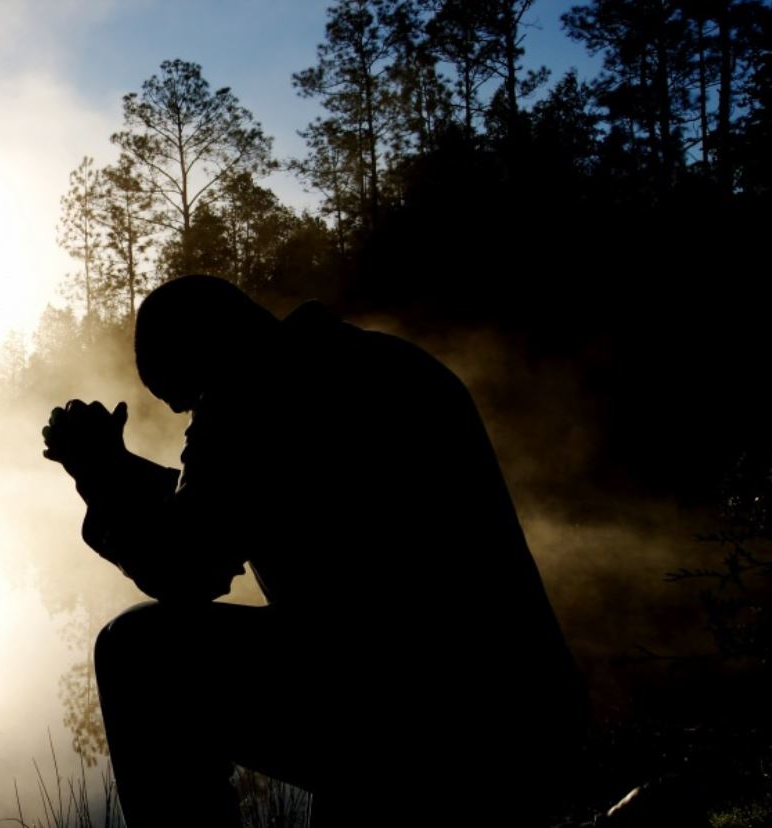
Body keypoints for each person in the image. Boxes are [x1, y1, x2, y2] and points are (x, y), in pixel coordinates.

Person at [41, 275, 588, 827]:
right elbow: (223, 501)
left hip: (419, 720)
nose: (194, 423)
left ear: (208, 351)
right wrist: (121, 472)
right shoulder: (380, 361)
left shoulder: (255, 396)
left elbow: (186, 566)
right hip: (525, 710)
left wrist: (100, 475)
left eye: (192, 401)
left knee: (137, 653)